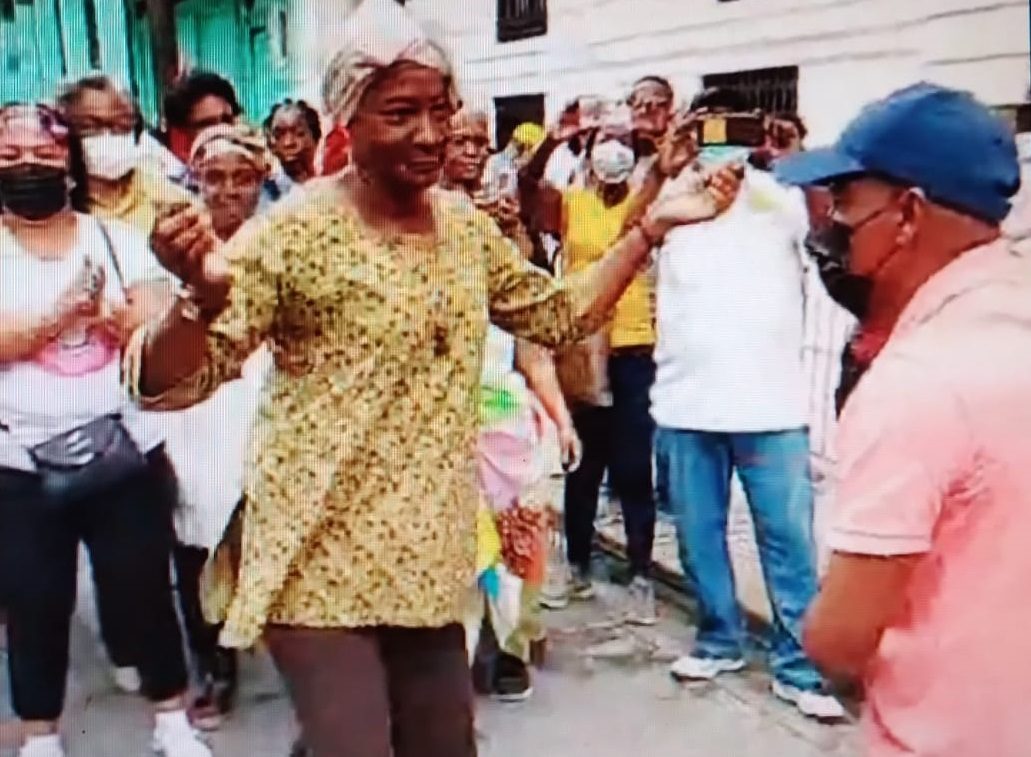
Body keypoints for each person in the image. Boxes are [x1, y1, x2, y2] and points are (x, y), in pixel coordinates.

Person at [124, 0, 741, 753]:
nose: (428, 133)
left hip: (426, 550)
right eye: (400, 111)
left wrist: (649, 227)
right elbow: (167, 382)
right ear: (346, 116)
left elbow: (556, 317)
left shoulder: (463, 228)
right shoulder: (292, 231)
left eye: (440, 110)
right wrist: (195, 301)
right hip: (317, 550)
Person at [777, 83, 1028, 757]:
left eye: (844, 204)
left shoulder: (917, 382)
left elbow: (838, 639)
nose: (829, 228)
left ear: (908, 213)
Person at [0, 104, 209, 757]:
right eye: (10, 156)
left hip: (122, 453)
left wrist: (112, 317)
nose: (29, 165)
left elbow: (153, 329)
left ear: (70, 161)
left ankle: (172, 717)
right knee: (34, 600)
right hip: (18, 461)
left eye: (43, 153)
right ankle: (40, 734)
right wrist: (57, 315)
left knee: (142, 590)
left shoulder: (114, 238)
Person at [634, 86, 844, 719]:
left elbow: (833, 239)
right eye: (709, 124)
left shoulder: (780, 192)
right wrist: (659, 168)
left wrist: (798, 164)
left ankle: (800, 669)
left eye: (736, 125)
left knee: (788, 543)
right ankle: (718, 639)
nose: (722, 138)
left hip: (771, 405)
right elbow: (630, 236)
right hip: (684, 401)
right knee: (699, 537)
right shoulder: (672, 191)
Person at [442, 106, 581, 701]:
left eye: (481, 141)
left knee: (521, 534)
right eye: (461, 140)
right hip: (440, 416)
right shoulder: (419, 226)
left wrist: (560, 416)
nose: (473, 151)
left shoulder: (506, 231)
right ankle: (453, 660)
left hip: (504, 416)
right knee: (459, 546)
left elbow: (532, 345)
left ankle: (510, 648)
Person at [528, 104, 663, 623]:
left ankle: (641, 576)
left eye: (625, 140)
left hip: (633, 347)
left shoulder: (645, 203)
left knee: (633, 467)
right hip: (583, 348)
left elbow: (672, 183)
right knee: (583, 464)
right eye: (606, 138)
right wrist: (552, 141)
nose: (616, 147)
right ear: (588, 148)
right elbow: (526, 189)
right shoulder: (571, 205)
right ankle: (577, 563)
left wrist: (659, 146)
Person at [162, 123, 277, 730]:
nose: (228, 191)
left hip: (265, 401)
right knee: (198, 536)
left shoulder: (281, 238)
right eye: (215, 178)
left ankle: (295, 667)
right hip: (198, 411)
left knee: (267, 535)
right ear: (195, 181)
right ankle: (214, 665)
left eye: (243, 179)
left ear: (261, 182)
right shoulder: (175, 241)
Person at [58, 74, 196, 237]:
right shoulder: (58, 203)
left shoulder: (165, 195)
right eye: (90, 126)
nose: (108, 135)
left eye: (121, 125)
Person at [264, 99, 323, 194]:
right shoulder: (264, 195)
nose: (288, 143)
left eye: (299, 133)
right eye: (278, 136)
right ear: (271, 146)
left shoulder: (335, 186)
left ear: (316, 138)